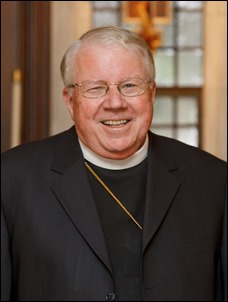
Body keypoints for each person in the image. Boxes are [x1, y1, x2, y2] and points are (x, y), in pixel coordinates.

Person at [1, 26, 227, 301]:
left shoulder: (214, 180)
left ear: (151, 93)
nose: (115, 103)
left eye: (130, 85)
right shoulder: (11, 180)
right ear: (70, 102)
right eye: (96, 88)